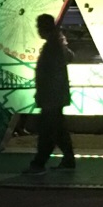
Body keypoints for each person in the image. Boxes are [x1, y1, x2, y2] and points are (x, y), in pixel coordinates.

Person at [27, 11, 75, 172]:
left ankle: (39, 163)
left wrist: (42, 93)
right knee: (57, 130)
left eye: (38, 27)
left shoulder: (51, 47)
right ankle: (68, 159)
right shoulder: (57, 45)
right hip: (56, 96)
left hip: (50, 97)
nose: (37, 30)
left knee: (47, 131)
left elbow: (47, 74)